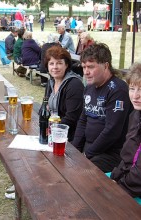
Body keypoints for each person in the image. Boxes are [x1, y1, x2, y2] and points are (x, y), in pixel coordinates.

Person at [72, 43, 133, 173]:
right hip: (90, 149)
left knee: (79, 175)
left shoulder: (118, 90)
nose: (86, 72)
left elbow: (112, 131)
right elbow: (83, 120)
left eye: (91, 67)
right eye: (83, 67)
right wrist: (74, 149)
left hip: (110, 154)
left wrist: (86, 155)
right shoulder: (90, 87)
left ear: (106, 66)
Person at [107, 63, 141, 205]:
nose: (135, 95)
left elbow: (139, 174)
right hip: (128, 179)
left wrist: (120, 186)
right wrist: (115, 176)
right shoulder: (135, 115)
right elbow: (127, 155)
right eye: (132, 88)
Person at [42, 46, 84, 141]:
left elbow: (71, 118)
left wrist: (49, 129)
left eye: (59, 63)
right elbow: (44, 108)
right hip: (52, 132)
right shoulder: (51, 82)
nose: (55, 67)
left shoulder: (74, 85)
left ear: (66, 65)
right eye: (51, 63)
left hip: (67, 136)